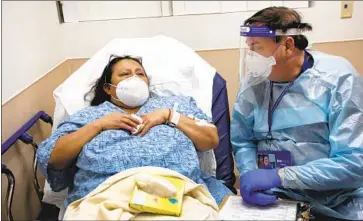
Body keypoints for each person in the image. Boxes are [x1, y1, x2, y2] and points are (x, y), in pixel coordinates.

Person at [37, 55, 233, 210]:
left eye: (140, 74)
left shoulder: (176, 105)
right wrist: (98, 126)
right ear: (108, 88)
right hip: (105, 198)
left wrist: (170, 116)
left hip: (178, 194)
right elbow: (54, 158)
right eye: (124, 74)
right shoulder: (89, 116)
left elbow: (210, 139)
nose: (134, 78)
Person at [231, 6, 363, 221]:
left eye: (256, 47)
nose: (250, 57)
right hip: (277, 199)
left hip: (338, 202)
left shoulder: (338, 79)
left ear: (288, 46)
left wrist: (280, 176)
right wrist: (249, 174)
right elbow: (243, 140)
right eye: (248, 48)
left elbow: (355, 162)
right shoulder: (254, 82)